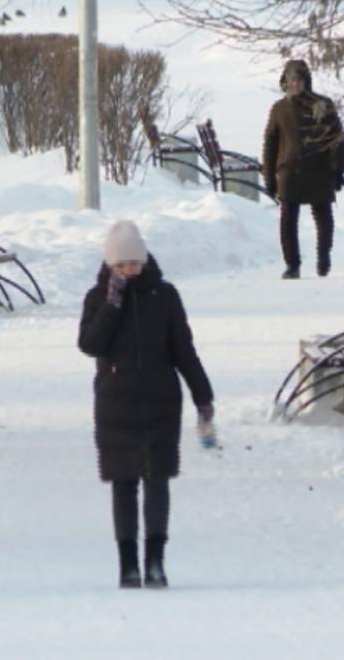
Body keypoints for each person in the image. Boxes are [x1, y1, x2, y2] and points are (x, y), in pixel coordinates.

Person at [77, 220, 216, 589]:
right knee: (123, 484)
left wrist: (203, 396)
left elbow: (184, 350)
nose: (128, 271)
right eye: (120, 266)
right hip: (114, 404)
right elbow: (91, 345)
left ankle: (155, 561)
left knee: (157, 480)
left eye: (133, 264)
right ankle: (128, 565)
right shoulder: (97, 297)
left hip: (160, 402)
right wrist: (112, 305)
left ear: (144, 260)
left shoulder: (165, 296)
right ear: (109, 266)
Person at [261, 59, 344, 279]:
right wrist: (270, 178)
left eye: (299, 80)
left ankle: (323, 257)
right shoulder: (279, 109)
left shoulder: (323, 105)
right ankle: (293, 264)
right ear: (286, 82)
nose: (296, 84)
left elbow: (337, 139)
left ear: (306, 81)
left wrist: (338, 170)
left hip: (319, 170)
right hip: (290, 171)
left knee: (323, 216)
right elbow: (270, 144)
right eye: (292, 80)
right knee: (288, 219)